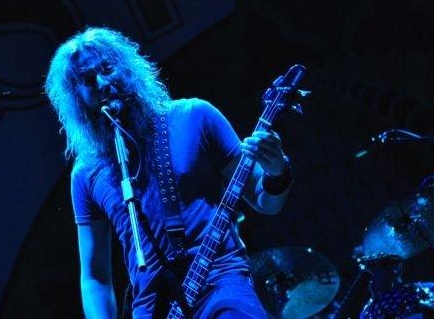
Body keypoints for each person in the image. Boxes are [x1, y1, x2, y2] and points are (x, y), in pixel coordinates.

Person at [45, 27, 293, 318]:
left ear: (127, 67)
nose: (102, 83)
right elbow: (95, 276)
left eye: (108, 68)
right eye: (88, 80)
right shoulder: (86, 173)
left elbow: (264, 201)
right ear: (78, 99)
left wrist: (277, 170)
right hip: (152, 307)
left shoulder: (195, 116)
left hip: (219, 280)